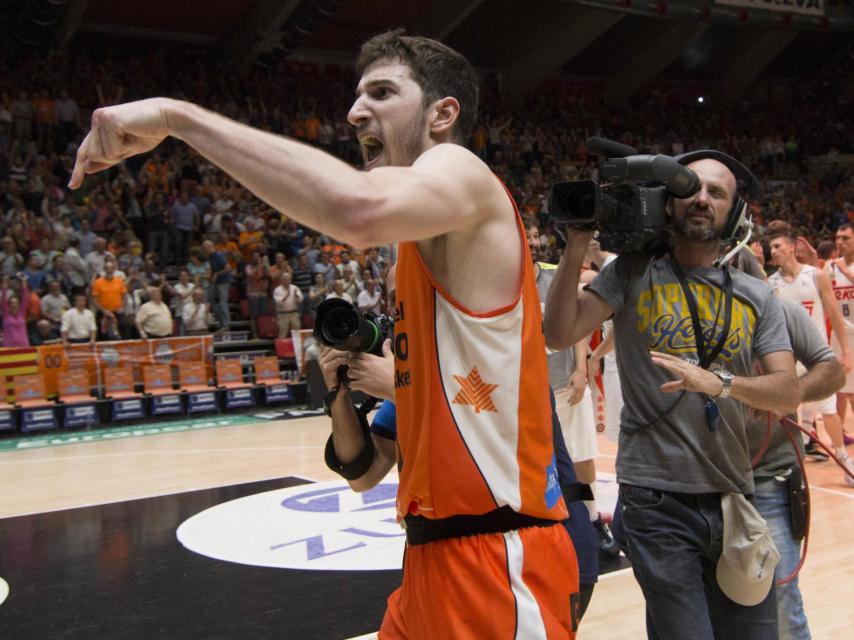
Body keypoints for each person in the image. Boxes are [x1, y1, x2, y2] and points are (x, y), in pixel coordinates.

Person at [70, 30, 578, 638]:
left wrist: (178, 119)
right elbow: (368, 469)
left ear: (444, 114)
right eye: (357, 95)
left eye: (382, 92)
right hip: (431, 555)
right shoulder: (415, 252)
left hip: (496, 558)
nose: (354, 111)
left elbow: (356, 211)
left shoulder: (459, 168)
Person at [544, 150, 798, 640]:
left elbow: (786, 392)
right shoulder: (631, 273)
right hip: (655, 499)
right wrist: (576, 243)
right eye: (689, 188)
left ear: (735, 213)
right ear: (667, 204)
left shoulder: (756, 293)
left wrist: (720, 384)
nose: (700, 199)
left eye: (715, 192)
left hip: (732, 495)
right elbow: (557, 333)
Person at [748, 299, 845, 639]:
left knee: (782, 603)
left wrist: (787, 394)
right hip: (702, 482)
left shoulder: (774, 306)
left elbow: (832, 368)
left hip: (769, 479)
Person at [768, 230, 854, 486]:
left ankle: (843, 458)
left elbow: (834, 315)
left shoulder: (815, 276)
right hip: (786, 357)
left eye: (777, 245)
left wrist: (845, 351)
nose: (773, 251)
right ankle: (792, 463)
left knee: (829, 411)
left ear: (792, 247)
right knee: (787, 411)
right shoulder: (770, 284)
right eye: (770, 248)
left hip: (816, 354)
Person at [90, 259, 128, 340]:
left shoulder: (119, 281)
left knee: (124, 325)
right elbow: (94, 299)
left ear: (114, 269)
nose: (109, 271)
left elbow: (124, 296)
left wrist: (122, 307)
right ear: (105, 270)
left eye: (111, 268)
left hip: (117, 310)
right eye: (107, 268)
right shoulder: (98, 282)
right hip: (103, 311)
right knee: (101, 333)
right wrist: (103, 310)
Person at [202, 239, 231, 333]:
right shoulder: (210, 257)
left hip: (223, 281)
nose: (203, 250)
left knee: (223, 303)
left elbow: (228, 268)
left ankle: (226, 325)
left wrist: (217, 274)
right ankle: (222, 322)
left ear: (208, 247)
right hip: (215, 282)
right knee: (210, 300)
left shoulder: (219, 255)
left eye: (204, 248)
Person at [1, 274, 30, 347]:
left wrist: (23, 280)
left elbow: (25, 297)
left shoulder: (21, 313)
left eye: (16, 302)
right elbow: (3, 297)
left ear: (19, 305)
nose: (14, 304)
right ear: (9, 305)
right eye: (12, 303)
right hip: (9, 345)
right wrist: (5, 281)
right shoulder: (6, 314)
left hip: (23, 344)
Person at [273, 271, 303, 338]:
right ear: (282, 280)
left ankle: (296, 347)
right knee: (283, 332)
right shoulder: (277, 290)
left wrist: (296, 296)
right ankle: (281, 347)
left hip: (294, 313)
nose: (288, 281)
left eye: (289, 279)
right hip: (283, 314)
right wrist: (287, 295)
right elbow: (279, 302)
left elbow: (300, 300)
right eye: (286, 279)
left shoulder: (295, 288)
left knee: (296, 331)